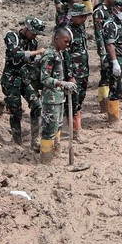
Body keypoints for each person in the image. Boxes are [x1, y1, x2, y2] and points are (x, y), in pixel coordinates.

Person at [1, 17, 47, 148]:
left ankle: (35, 140)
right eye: (33, 32)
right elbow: (14, 54)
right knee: (16, 111)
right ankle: (16, 141)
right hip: (11, 79)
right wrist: (36, 52)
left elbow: (31, 64)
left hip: (25, 79)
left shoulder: (32, 43)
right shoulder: (12, 36)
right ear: (26, 29)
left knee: (37, 105)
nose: (34, 36)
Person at [38, 28, 76, 162]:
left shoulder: (59, 53)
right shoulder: (49, 55)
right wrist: (61, 83)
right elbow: (44, 79)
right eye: (66, 41)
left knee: (58, 125)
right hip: (50, 99)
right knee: (49, 128)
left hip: (59, 97)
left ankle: (55, 152)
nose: (67, 45)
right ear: (57, 39)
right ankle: (46, 159)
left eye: (69, 42)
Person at [59, 3, 91, 140]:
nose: (84, 19)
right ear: (74, 16)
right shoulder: (67, 32)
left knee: (80, 99)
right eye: (81, 16)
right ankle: (75, 131)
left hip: (83, 70)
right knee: (73, 101)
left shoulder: (81, 28)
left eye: (85, 16)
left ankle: (77, 127)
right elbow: (66, 56)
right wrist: (70, 76)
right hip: (74, 73)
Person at [93, 0, 122, 112]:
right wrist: (103, 54)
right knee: (105, 76)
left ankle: (109, 105)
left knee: (112, 77)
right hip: (106, 50)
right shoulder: (99, 11)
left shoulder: (113, 9)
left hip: (116, 48)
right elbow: (99, 35)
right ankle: (103, 104)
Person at [102, 0, 122, 123]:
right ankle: (112, 118)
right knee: (114, 88)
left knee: (119, 87)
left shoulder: (120, 23)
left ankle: (115, 114)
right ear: (115, 9)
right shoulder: (110, 24)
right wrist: (115, 62)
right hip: (116, 61)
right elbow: (110, 45)